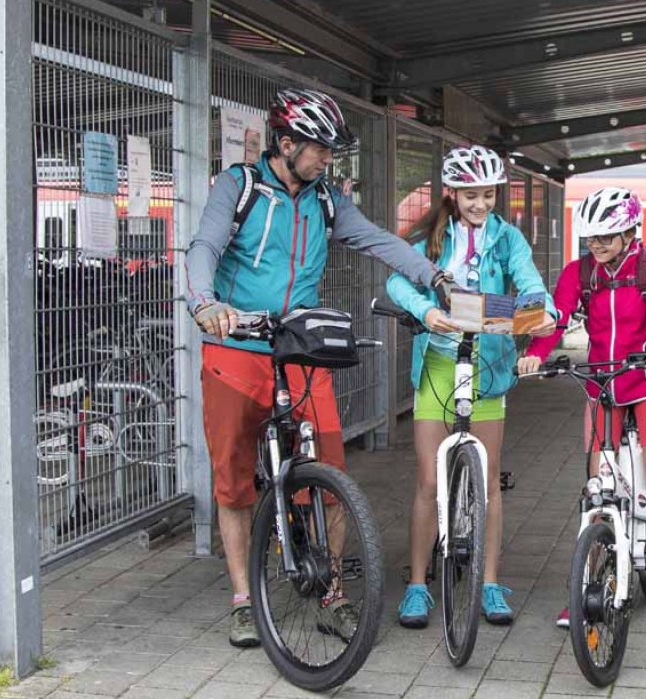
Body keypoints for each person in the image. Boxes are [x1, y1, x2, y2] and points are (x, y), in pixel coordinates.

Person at [186, 88, 449, 648]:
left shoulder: (325, 199)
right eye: (321, 150)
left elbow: (378, 241)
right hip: (236, 347)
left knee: (331, 476)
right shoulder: (238, 187)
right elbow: (203, 248)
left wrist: (434, 277)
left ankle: (332, 596)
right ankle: (241, 601)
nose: (329, 161)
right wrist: (205, 303)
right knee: (233, 480)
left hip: (301, 349)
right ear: (287, 144)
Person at [518, 186, 646, 641]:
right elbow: (556, 317)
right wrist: (536, 353)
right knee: (597, 485)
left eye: (607, 236)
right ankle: (587, 583)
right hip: (602, 384)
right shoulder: (580, 272)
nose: (596, 246)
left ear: (630, 232)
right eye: (591, 238)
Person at [387, 144, 557, 628]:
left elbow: (530, 285)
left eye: (488, 195)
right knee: (427, 481)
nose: (480, 204)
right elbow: (398, 282)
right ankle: (418, 585)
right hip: (439, 367)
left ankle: (489, 583)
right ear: (452, 194)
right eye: (470, 196)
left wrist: (540, 311)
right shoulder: (432, 236)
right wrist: (427, 311)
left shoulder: (508, 238)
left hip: (489, 367)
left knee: (488, 483)